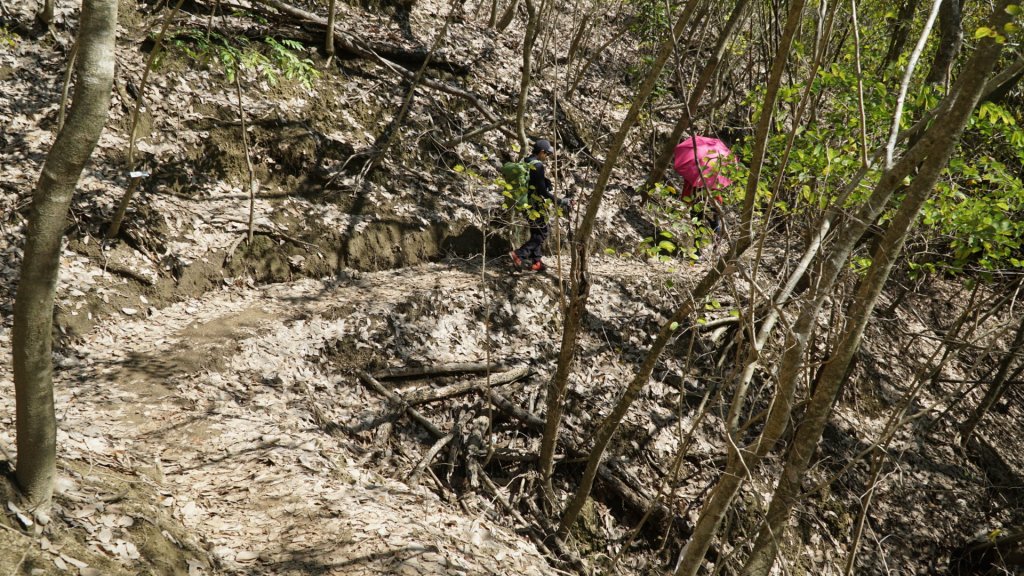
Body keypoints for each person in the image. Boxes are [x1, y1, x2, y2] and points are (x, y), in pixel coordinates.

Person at [508, 139, 569, 272]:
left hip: (524, 202)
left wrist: (545, 181)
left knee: (536, 231)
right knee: (542, 232)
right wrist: (560, 201)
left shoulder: (525, 161)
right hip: (534, 204)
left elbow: (534, 183)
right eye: (546, 154)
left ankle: (537, 262)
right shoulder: (538, 166)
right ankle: (519, 254)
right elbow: (542, 192)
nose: (547, 157)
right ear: (541, 152)